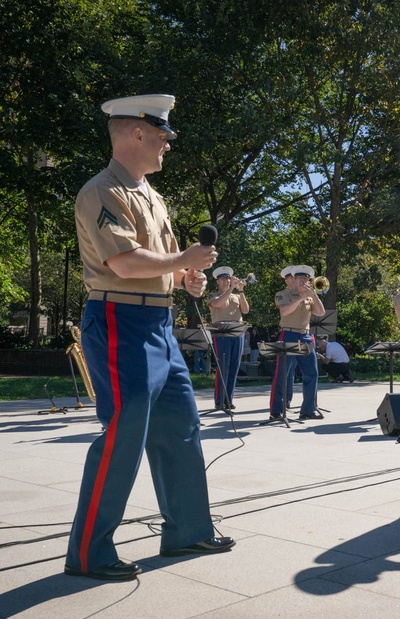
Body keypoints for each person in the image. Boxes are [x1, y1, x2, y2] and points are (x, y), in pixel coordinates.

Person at [65, 93, 234, 582]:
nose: (166, 146)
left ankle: (187, 531)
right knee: (123, 434)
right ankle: (88, 552)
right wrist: (182, 263)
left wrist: (186, 278)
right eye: (162, 137)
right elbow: (124, 264)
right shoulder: (102, 190)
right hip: (119, 322)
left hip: (158, 323)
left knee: (180, 427)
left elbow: (163, 264)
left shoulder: (151, 196)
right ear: (136, 133)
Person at [269, 264, 325, 420]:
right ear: (294, 279)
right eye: (301, 278)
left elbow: (321, 312)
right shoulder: (283, 294)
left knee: (312, 373)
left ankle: (308, 409)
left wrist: (313, 296)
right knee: (282, 374)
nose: (304, 281)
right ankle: (276, 411)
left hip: (305, 336)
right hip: (288, 334)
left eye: (306, 278)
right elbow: (284, 311)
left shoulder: (310, 295)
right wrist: (301, 297)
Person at [208, 266, 249, 410]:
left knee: (234, 367)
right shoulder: (213, 295)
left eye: (228, 278)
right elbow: (217, 304)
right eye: (223, 279)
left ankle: (228, 399)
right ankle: (219, 400)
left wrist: (241, 291)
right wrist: (231, 288)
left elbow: (245, 310)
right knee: (223, 367)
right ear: (217, 282)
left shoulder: (236, 296)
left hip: (237, 332)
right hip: (221, 333)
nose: (226, 281)